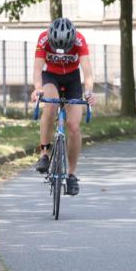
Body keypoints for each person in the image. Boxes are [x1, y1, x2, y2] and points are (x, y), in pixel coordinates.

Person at [30, 17, 96, 195]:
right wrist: (37, 90)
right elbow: (37, 70)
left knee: (74, 126)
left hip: (72, 78)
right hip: (51, 77)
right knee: (50, 106)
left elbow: (87, 72)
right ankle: (44, 153)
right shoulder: (43, 38)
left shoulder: (79, 39)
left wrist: (88, 92)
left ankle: (72, 175)